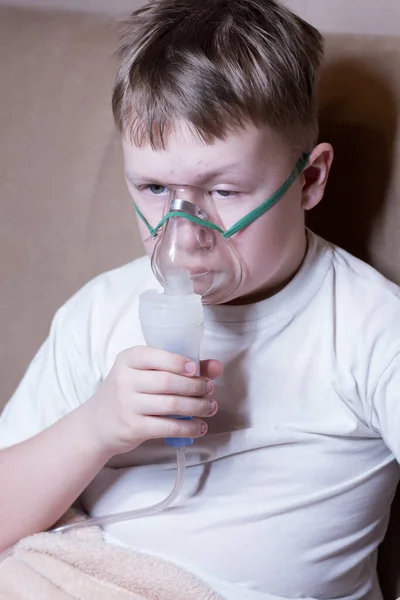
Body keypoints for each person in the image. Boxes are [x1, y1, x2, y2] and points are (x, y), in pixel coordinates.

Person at [1, 1, 399, 598]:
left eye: (225, 189)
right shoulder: (101, 311)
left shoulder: (370, 327)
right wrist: (97, 426)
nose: (184, 233)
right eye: (155, 188)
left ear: (310, 180)